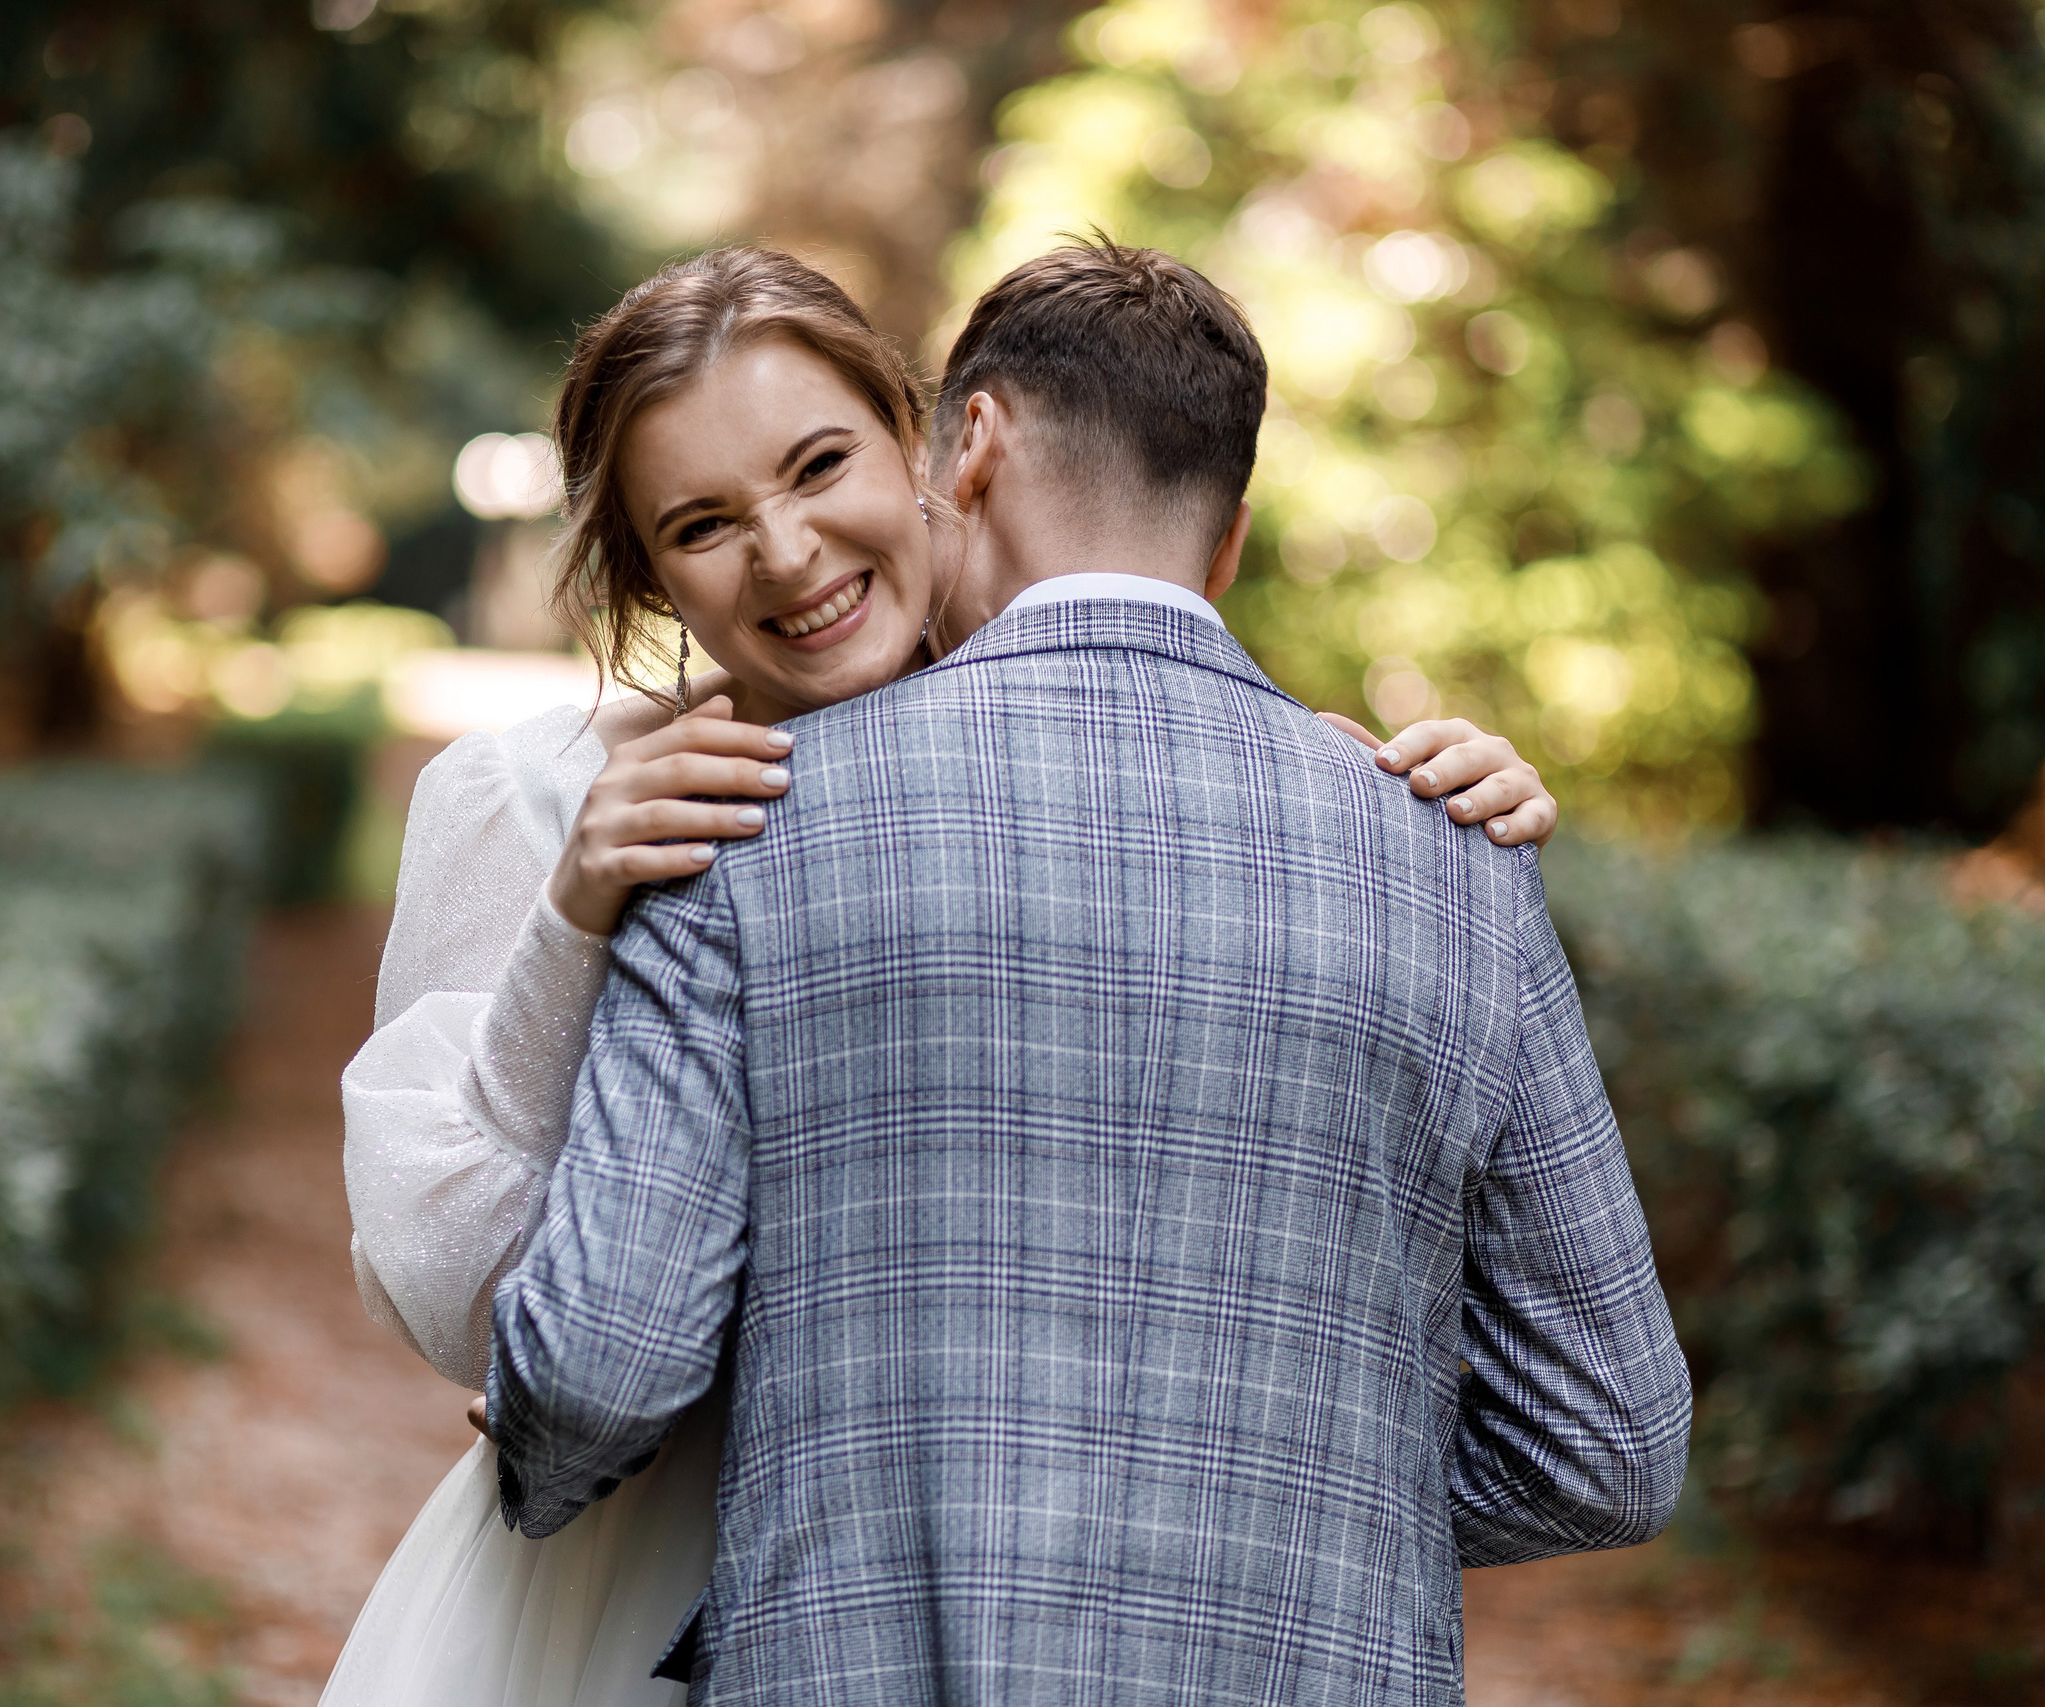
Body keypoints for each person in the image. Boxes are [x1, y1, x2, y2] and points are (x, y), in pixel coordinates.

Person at [329, 246, 1566, 1707]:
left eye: (818, 465)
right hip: (615, 1571)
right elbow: (454, 1299)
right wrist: (572, 923)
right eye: (704, 523)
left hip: (1003, 1583)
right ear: (646, 572)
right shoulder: (530, 798)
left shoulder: (1114, 766)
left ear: (934, 447)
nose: (786, 553)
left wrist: (1440, 803)